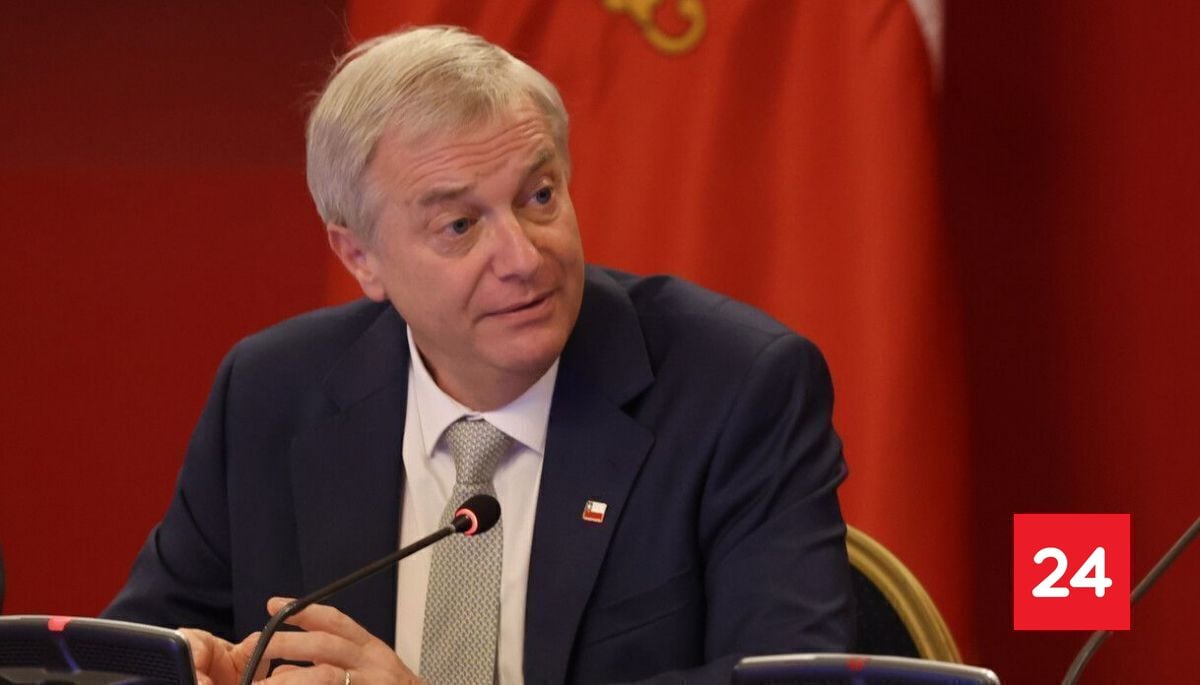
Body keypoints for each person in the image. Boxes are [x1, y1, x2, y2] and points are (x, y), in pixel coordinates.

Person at [103, 25, 854, 685]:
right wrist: (183, 668)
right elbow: (125, 655)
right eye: (460, 225)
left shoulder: (735, 390)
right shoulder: (272, 394)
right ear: (360, 256)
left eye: (539, 196)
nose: (524, 259)